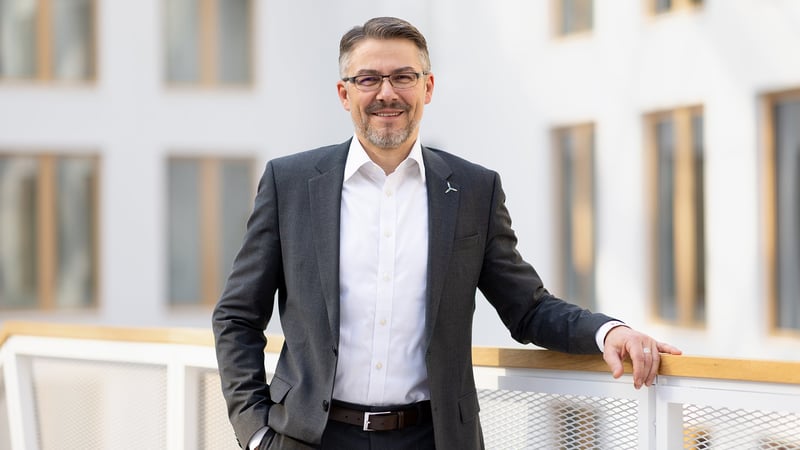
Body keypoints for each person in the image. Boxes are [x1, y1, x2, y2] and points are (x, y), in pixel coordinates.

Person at [212, 16, 682, 450]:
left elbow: (528, 308)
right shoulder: (289, 183)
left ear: (427, 87)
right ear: (344, 93)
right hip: (309, 438)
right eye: (368, 79)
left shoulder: (474, 190)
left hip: (433, 439)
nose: (386, 93)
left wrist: (607, 332)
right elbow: (237, 316)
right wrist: (255, 433)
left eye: (403, 77)